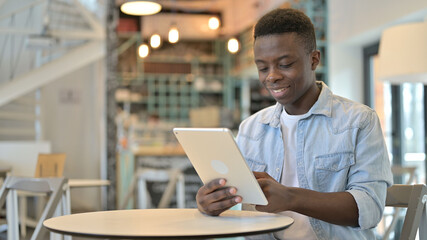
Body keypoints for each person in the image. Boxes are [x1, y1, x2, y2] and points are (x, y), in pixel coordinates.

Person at [195, 8, 393, 240]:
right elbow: (240, 210)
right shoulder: (250, 129)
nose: (272, 76)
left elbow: (370, 209)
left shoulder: (359, 121)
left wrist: (291, 197)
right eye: (262, 68)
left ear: (314, 59)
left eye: (285, 64)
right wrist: (213, 203)